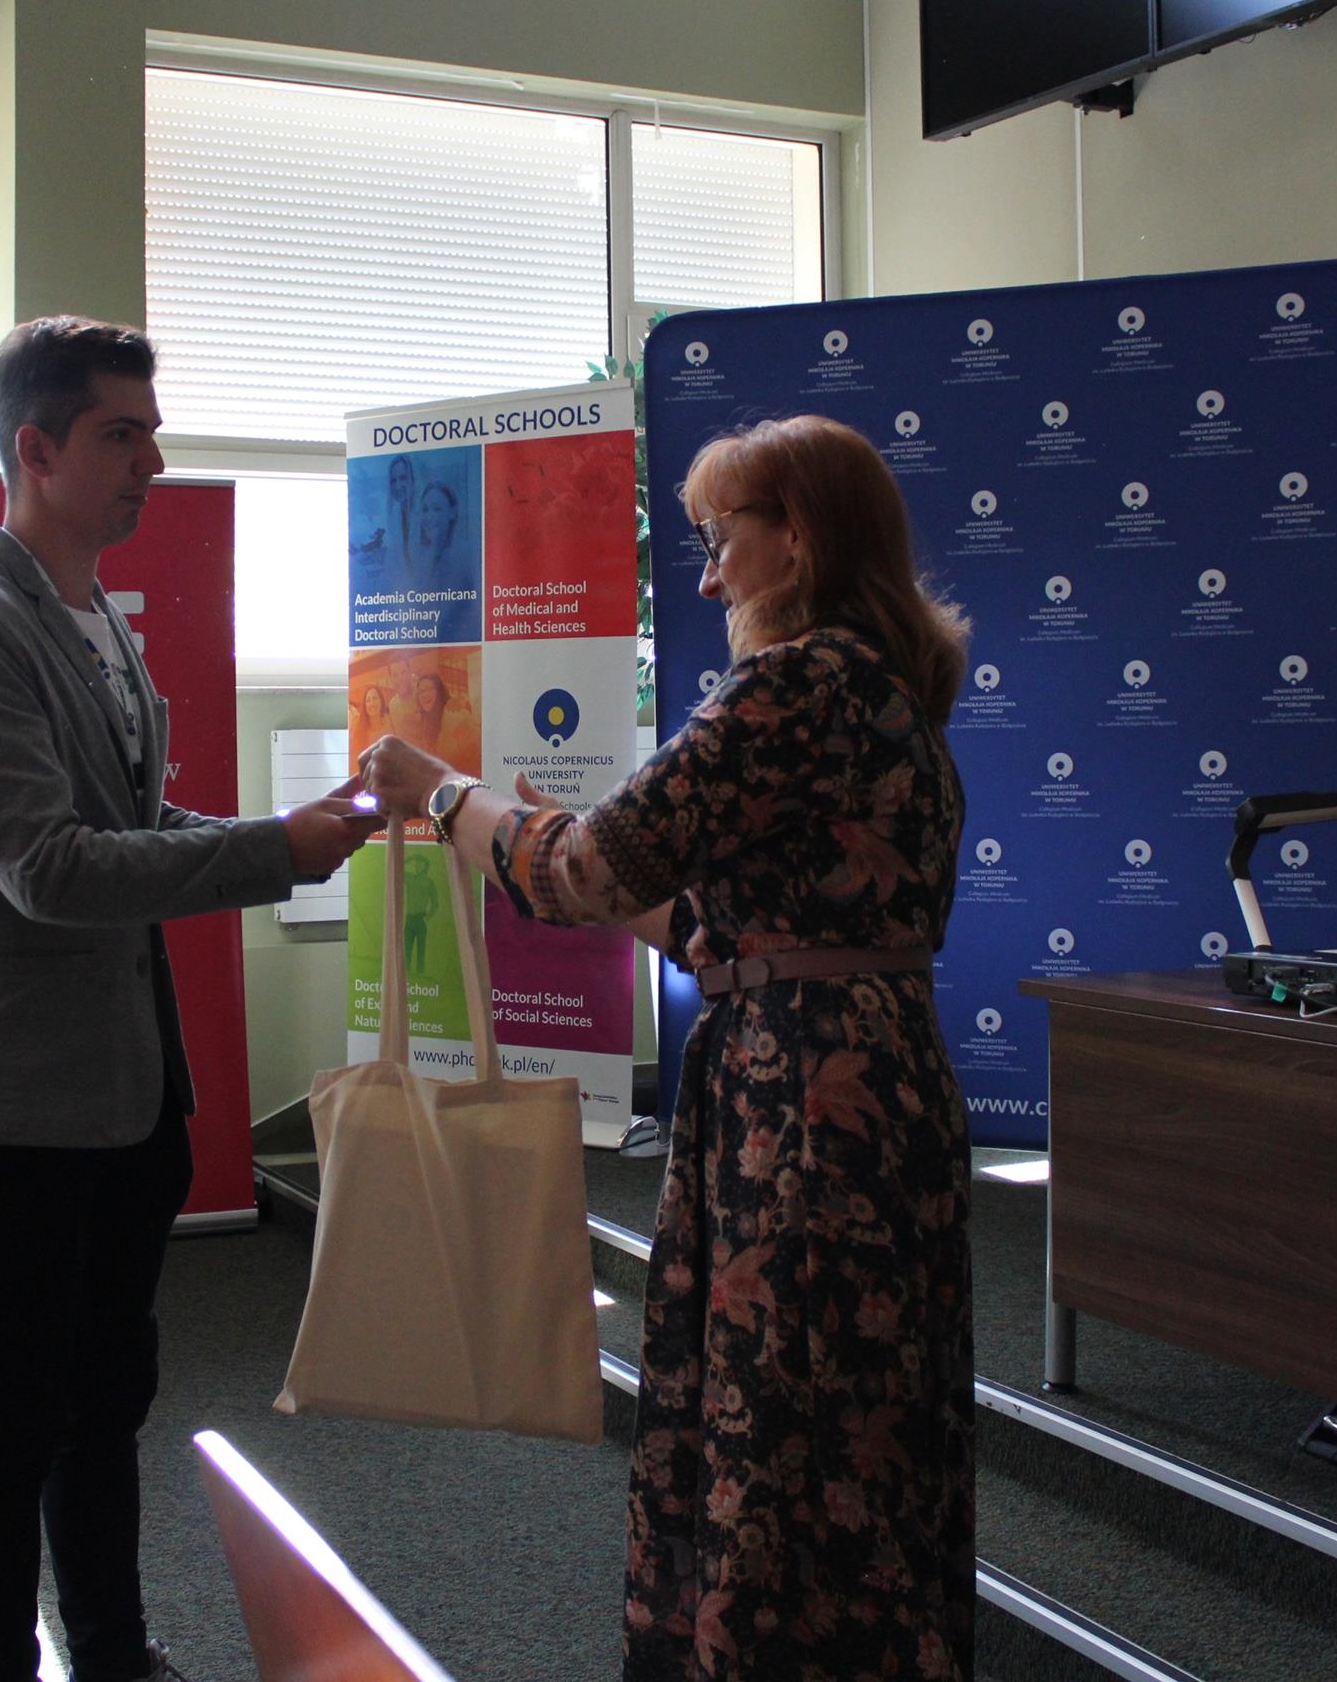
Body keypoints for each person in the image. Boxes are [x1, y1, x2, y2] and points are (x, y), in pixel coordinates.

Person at [362, 413, 977, 1682]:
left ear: (796, 540)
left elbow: (585, 872)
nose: (704, 581)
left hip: (799, 1109)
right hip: (876, 1090)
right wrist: (539, 836)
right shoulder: (887, 694)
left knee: (785, 1419)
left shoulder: (793, 685)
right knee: (867, 1419)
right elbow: (710, 922)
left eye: (718, 541)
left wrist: (442, 794)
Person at [0, 314, 381, 1682]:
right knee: (12, 1421)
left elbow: (129, 820)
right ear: (36, 449)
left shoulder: (94, 614)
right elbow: (47, 866)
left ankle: (111, 1653)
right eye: (123, 435)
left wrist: (295, 834)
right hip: (9, 1103)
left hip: (121, 1092)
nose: (152, 463)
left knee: (104, 1402)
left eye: (153, 434)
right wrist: (270, 852)